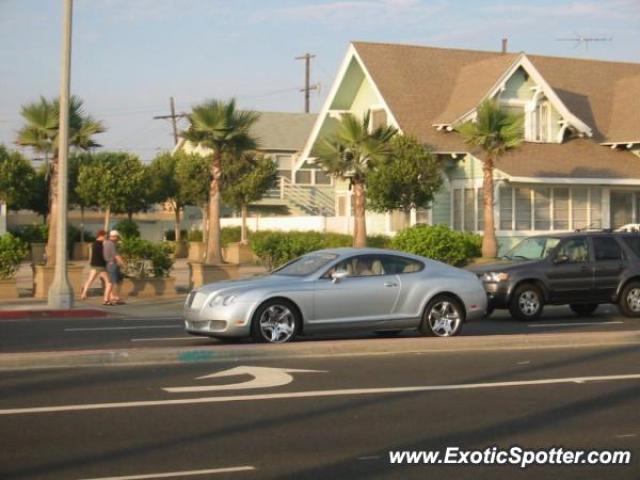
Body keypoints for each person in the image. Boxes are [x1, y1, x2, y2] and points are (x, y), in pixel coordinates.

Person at [80, 230, 112, 303]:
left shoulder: (94, 244)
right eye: (105, 236)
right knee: (109, 282)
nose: (106, 237)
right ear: (101, 235)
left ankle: (84, 294)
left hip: (94, 265)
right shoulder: (101, 245)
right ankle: (106, 299)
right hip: (100, 266)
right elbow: (104, 255)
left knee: (90, 280)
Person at [103, 230, 126, 305]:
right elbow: (116, 255)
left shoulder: (106, 243)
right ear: (115, 236)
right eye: (117, 237)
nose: (118, 238)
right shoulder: (111, 244)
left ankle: (116, 298)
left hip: (111, 264)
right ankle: (106, 299)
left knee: (118, 281)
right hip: (112, 265)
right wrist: (122, 263)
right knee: (111, 283)